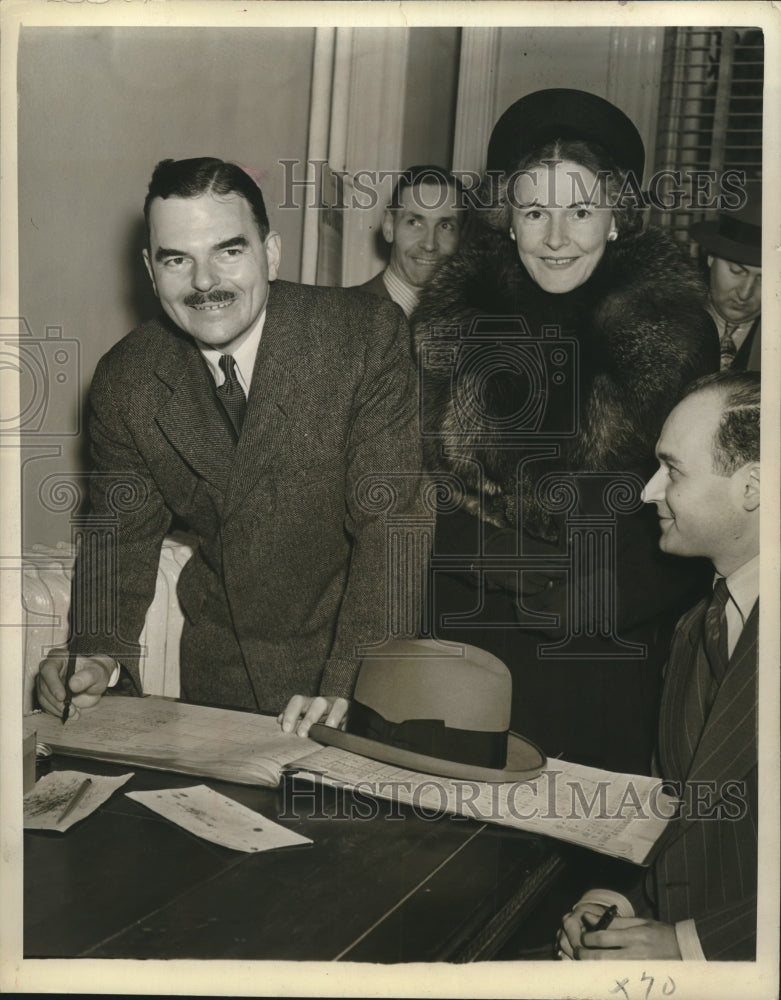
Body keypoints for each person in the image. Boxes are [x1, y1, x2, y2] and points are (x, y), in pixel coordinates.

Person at [35, 156, 424, 736]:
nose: (204, 282)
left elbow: (392, 529)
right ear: (150, 269)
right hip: (223, 677)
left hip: (353, 666)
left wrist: (348, 689)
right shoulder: (127, 379)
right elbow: (120, 536)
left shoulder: (364, 337)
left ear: (270, 252)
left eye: (229, 250)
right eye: (177, 259)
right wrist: (94, 652)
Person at [413, 89, 719, 774]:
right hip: (465, 644)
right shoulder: (451, 322)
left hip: (600, 654)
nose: (555, 239)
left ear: (614, 218)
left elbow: (706, 515)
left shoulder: (674, 331)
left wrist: (603, 593)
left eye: (579, 211)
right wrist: (489, 559)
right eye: (534, 212)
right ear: (508, 222)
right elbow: (402, 485)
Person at [557, 371, 760, 961]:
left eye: (672, 470)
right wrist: (619, 906)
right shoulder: (697, 626)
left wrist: (685, 947)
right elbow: (685, 820)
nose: (648, 492)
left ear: (753, 487)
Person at [357, 165, 465, 317]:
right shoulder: (342, 314)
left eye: (445, 226)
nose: (429, 245)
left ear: (460, 237)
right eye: (414, 222)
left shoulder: (468, 323)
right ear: (389, 226)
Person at [691, 179, 762, 370]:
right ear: (711, 258)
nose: (745, 293)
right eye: (736, 271)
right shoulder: (664, 319)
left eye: (764, 279)